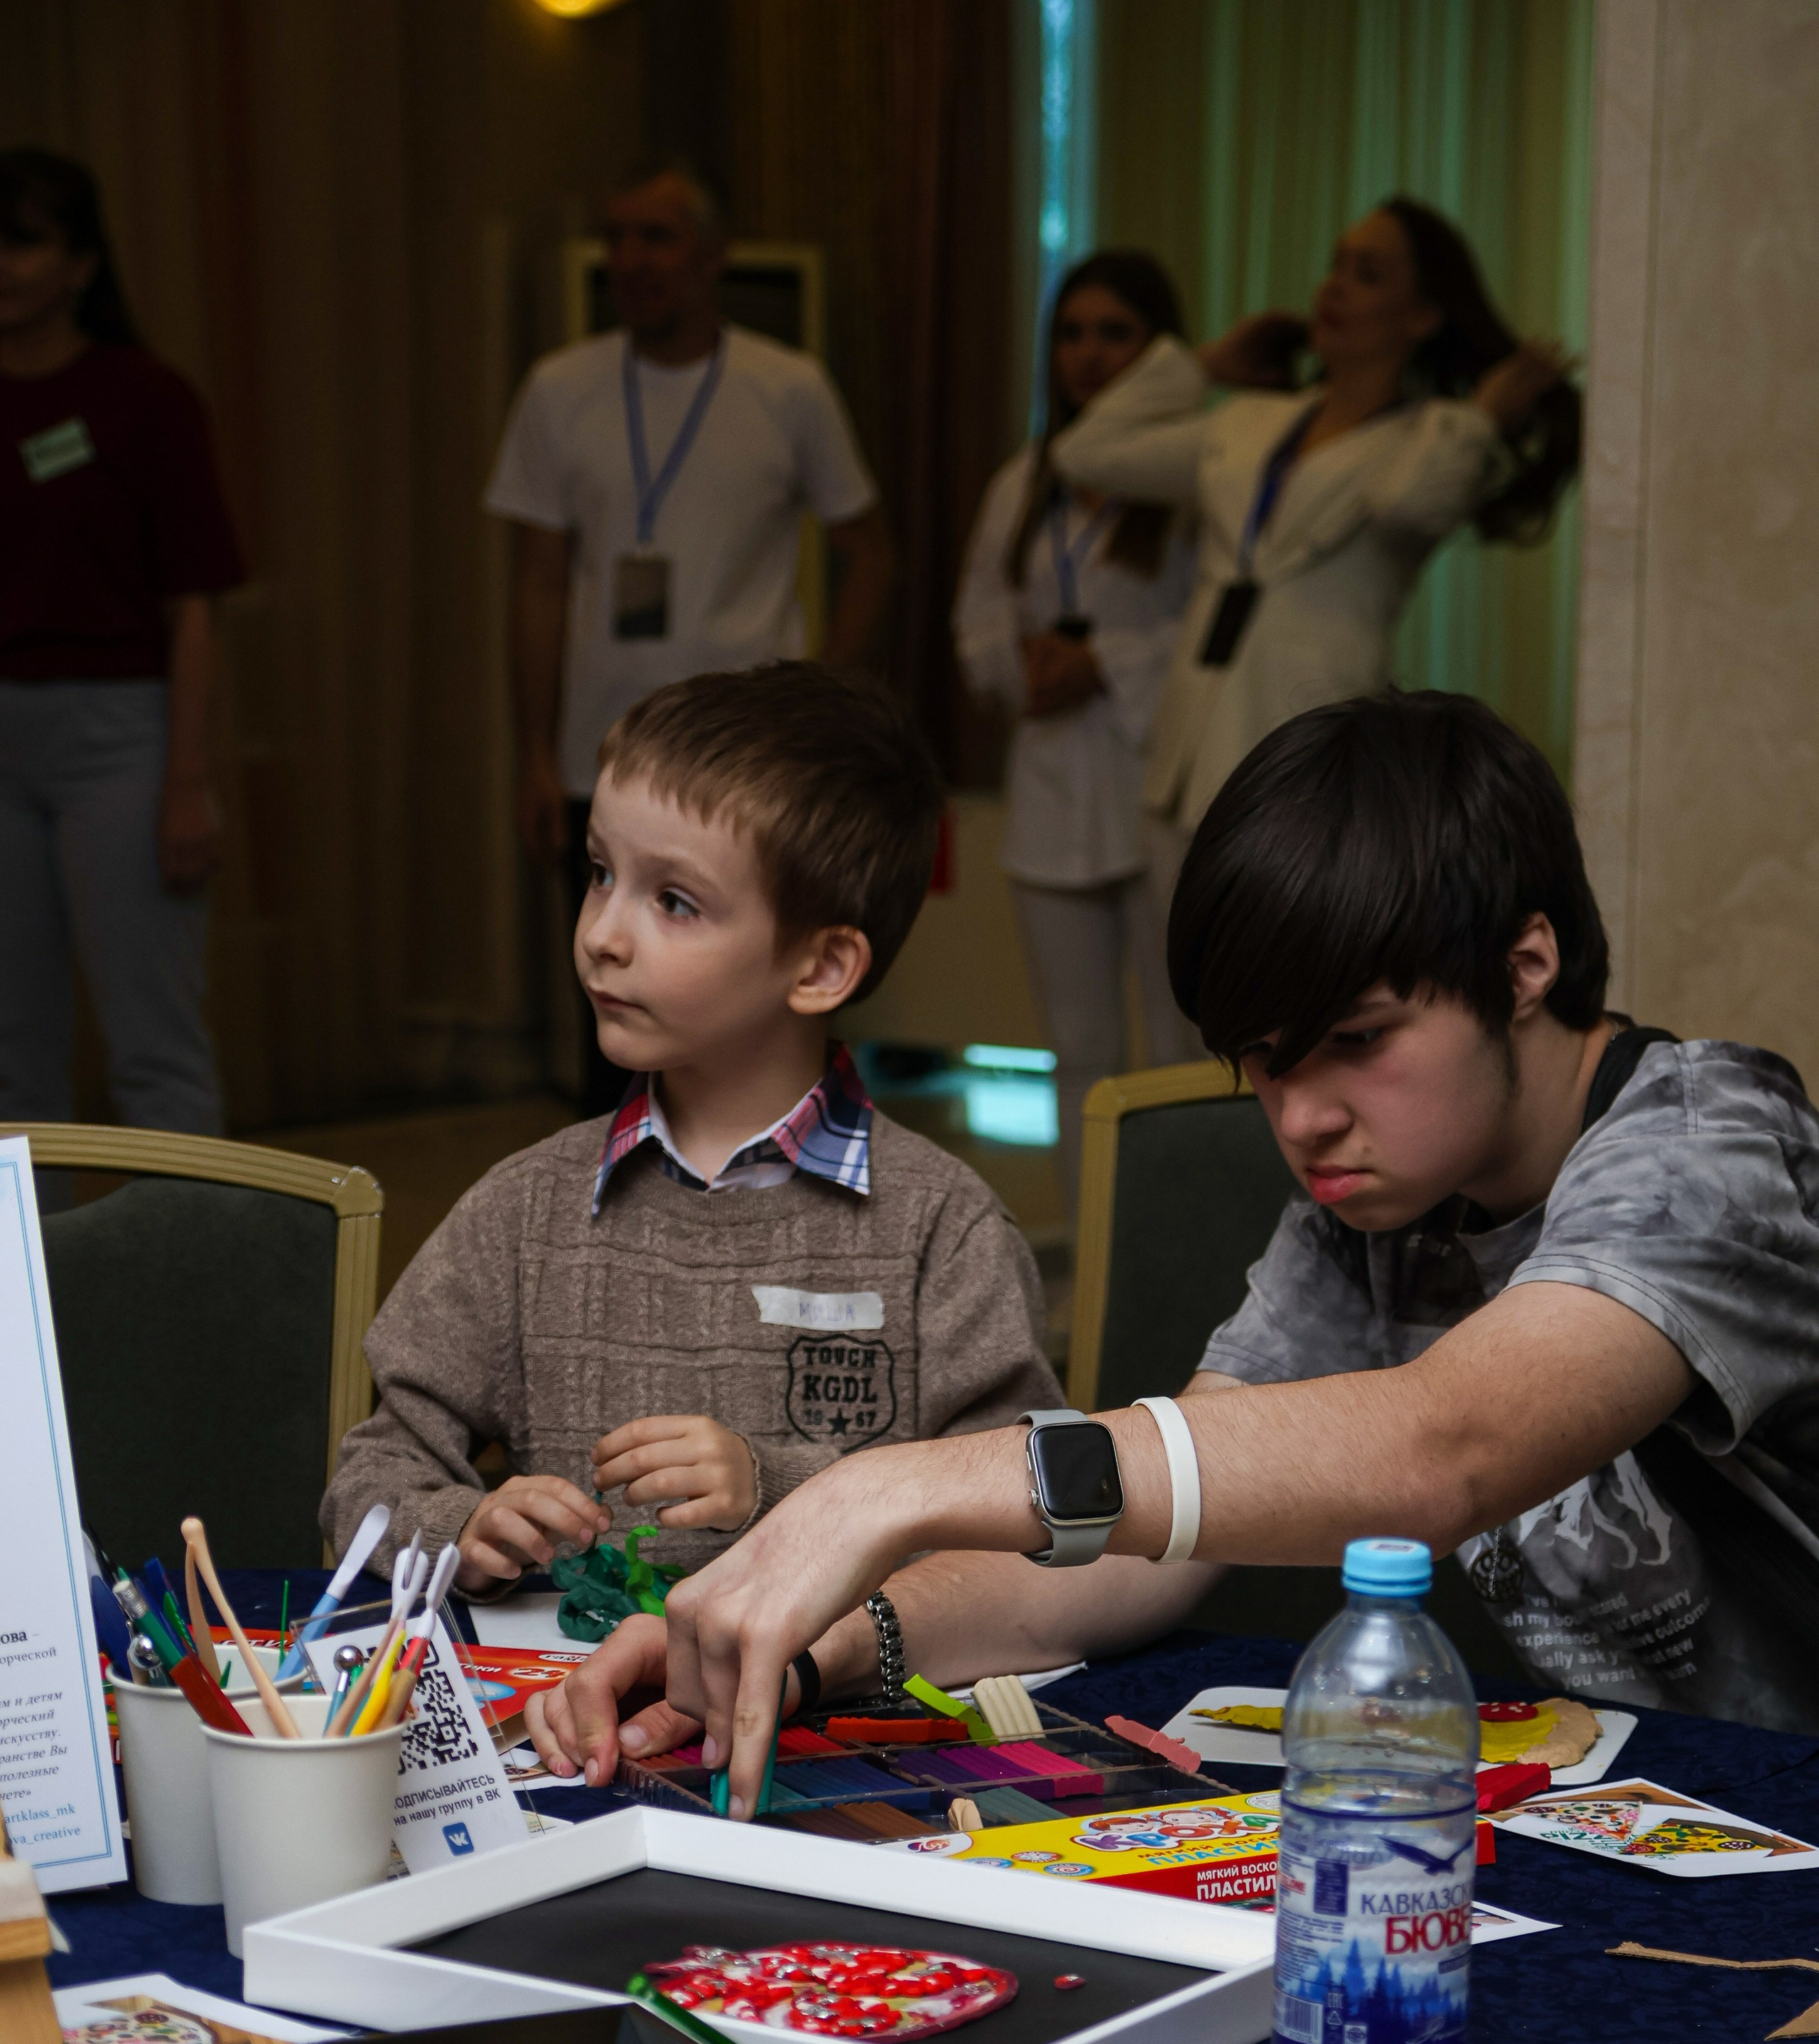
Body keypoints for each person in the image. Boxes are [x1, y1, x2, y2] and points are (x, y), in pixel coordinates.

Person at [527, 691, 1819, 1805]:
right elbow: (1162, 1533)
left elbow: (1447, 1451)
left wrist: (885, 1488)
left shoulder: (1712, 1147)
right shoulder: (1378, 1205)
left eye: (1358, 1041)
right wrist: (806, 1648)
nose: (1300, 1119)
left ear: (1526, 964)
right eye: (1265, 1061)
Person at [321, 662, 1063, 1590]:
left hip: (837, 1683)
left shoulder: (942, 1229)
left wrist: (777, 1485)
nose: (603, 935)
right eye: (601, 874)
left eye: (674, 901)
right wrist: (456, 1527)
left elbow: (1020, 1515)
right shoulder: (524, 1210)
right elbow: (370, 1478)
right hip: (570, 1681)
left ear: (821, 968)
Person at [486, 167, 895, 1112]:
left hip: (751, 762)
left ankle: (764, 1180)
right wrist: (534, 754)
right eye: (618, 238)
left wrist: (818, 706)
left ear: (711, 259)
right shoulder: (559, 388)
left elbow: (872, 553)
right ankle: (621, 1193)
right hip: (605, 750)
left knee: (753, 1011)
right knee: (617, 1007)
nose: (631, 259)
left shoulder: (788, 387)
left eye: (657, 238)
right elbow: (538, 579)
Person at [1050, 198, 1577, 905]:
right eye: (1336, 266)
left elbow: (1408, 504)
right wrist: (1203, 365)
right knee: (1170, 969)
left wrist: (1482, 417)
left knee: (1280, 965)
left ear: (1423, 315)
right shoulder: (1246, 421)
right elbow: (1083, 451)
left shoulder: (1436, 437)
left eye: (1367, 274)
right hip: (1185, 753)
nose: (1335, 286)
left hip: (1306, 755)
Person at [0, 147, 242, 1134]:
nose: (2, 264)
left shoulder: (145, 399)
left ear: (81, 263)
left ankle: (184, 1243)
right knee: (10, 1059)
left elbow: (196, 603)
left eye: (22, 242)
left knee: (154, 1046)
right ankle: (24, 1247)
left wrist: (185, 780)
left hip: (120, 739)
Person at [953, 252, 1199, 1209]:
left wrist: (1106, 662)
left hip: (1157, 787)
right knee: (1078, 1050)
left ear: (1159, 351)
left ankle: (1179, 1258)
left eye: (1115, 334)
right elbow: (975, 618)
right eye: (1072, 334)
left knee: (1179, 1047)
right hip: (1052, 786)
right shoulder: (1025, 481)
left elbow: (1216, 630)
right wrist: (1024, 667)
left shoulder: (1188, 478)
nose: (1089, 355)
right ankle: (1098, 1255)